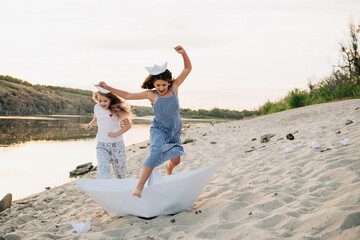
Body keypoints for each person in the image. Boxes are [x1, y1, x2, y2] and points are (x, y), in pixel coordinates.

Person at [98, 45, 191, 198]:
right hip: (159, 129)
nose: (161, 87)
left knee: (175, 161)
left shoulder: (174, 87)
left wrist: (183, 54)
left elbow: (187, 69)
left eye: (163, 84)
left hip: (174, 129)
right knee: (155, 153)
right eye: (158, 85)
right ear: (153, 85)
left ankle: (169, 170)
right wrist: (108, 87)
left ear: (168, 82)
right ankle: (139, 187)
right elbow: (127, 95)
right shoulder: (151, 95)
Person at [85, 90, 132, 180]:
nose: (102, 103)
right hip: (102, 144)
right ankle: (106, 187)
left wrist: (116, 134)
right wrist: (90, 124)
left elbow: (128, 125)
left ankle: (120, 188)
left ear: (110, 99)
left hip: (117, 145)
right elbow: (96, 119)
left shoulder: (117, 109)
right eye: (100, 101)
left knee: (120, 174)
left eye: (105, 101)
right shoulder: (97, 108)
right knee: (103, 169)